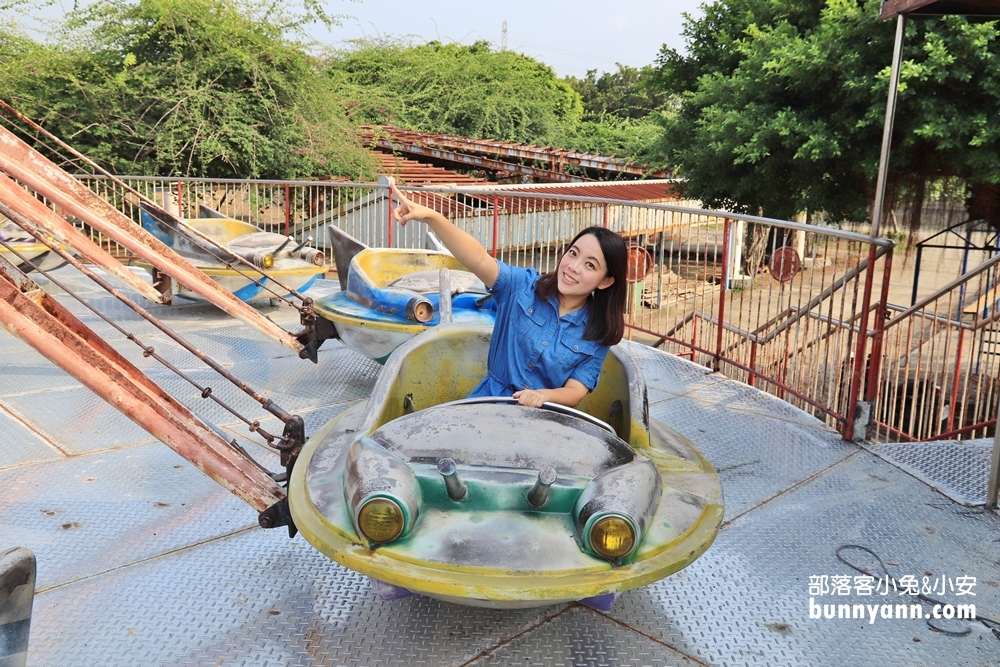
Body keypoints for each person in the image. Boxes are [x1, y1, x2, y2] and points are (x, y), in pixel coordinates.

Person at [390, 180, 628, 409]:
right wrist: (432, 217)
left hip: (542, 419)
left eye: (590, 265)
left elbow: (576, 390)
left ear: (606, 281)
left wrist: (542, 395)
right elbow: (479, 259)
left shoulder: (599, 331)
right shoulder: (523, 286)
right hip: (488, 404)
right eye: (573, 253)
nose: (574, 267)